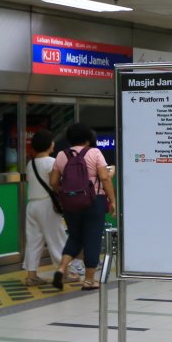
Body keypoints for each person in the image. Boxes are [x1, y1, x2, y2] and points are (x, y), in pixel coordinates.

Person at [51, 123, 117, 291]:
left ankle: (61, 268)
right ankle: (88, 280)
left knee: (75, 237)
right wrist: (113, 200)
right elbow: (104, 178)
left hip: (71, 202)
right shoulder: (94, 152)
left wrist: (67, 192)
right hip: (94, 201)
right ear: (88, 139)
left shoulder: (61, 155)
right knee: (92, 239)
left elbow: (53, 182)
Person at [24, 129, 69, 287]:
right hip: (46, 204)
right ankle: (64, 271)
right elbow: (54, 183)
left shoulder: (31, 163)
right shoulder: (51, 162)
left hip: (32, 205)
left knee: (33, 241)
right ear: (50, 145)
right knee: (57, 237)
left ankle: (31, 275)